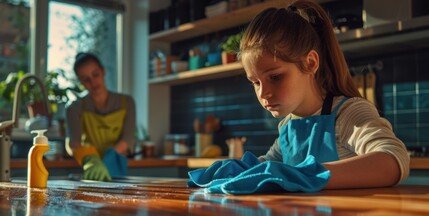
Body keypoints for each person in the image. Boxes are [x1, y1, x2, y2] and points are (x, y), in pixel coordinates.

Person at [188, 0, 409, 193]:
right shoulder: (288, 126)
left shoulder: (348, 113)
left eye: (275, 77)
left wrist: (307, 175)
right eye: (255, 82)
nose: (263, 93)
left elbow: (393, 159)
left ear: (310, 63)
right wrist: (242, 169)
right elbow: (273, 169)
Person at [66, 52, 136, 181]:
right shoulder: (74, 108)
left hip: (117, 166)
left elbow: (128, 139)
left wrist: (106, 161)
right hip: (89, 168)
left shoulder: (126, 102)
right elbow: (74, 143)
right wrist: (91, 161)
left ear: (103, 71)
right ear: (80, 81)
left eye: (95, 74)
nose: (93, 82)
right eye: (86, 79)